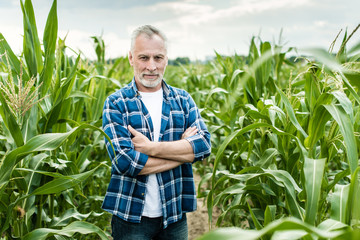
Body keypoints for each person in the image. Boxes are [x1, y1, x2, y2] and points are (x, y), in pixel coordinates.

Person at [102, 25, 211, 240]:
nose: (151, 66)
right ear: (131, 58)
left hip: (174, 215)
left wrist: (151, 148)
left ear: (166, 59)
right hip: (131, 216)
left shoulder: (183, 100)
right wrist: (182, 153)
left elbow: (204, 145)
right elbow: (125, 162)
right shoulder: (116, 103)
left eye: (158, 58)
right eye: (144, 58)